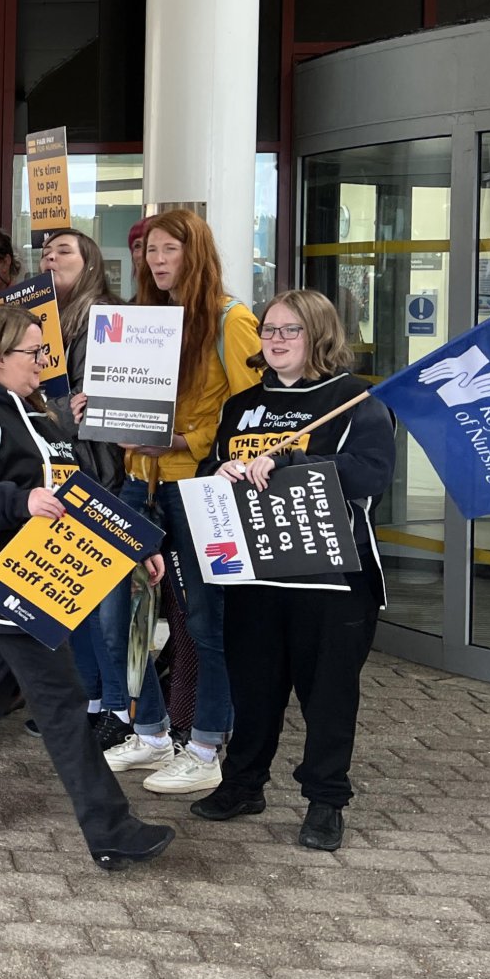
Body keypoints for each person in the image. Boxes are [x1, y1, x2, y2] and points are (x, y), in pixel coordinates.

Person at [0, 304, 176, 870]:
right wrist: (18, 500)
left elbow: (77, 495)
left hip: (31, 582)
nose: (44, 361)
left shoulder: (36, 414)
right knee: (64, 702)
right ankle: (111, 830)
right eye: (34, 351)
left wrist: (133, 544)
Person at [197, 289, 394, 852]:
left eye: (290, 330)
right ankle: (243, 784)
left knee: (327, 696)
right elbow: (213, 465)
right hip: (256, 574)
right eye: (269, 330)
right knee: (253, 689)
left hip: (332, 577)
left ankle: (326, 800)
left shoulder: (357, 400)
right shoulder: (242, 405)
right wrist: (221, 470)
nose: (275, 340)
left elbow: (371, 474)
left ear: (319, 335)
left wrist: (291, 461)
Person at [99, 208, 265, 795]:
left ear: (196, 254)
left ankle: (206, 747)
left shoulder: (231, 319)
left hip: (197, 488)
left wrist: (182, 440)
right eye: (151, 250)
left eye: (171, 249)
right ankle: (150, 734)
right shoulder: (141, 318)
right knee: (121, 616)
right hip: (137, 483)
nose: (158, 260)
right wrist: (93, 408)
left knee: (205, 622)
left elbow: (253, 414)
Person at [39, 226, 130, 745]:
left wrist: (61, 414)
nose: (50, 257)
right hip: (60, 473)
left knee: (106, 608)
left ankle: (118, 709)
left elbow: (111, 406)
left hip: (104, 476)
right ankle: (90, 699)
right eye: (45, 252)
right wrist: (57, 413)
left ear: (90, 261)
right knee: (71, 598)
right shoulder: (43, 321)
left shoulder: (111, 318)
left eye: (63, 250)